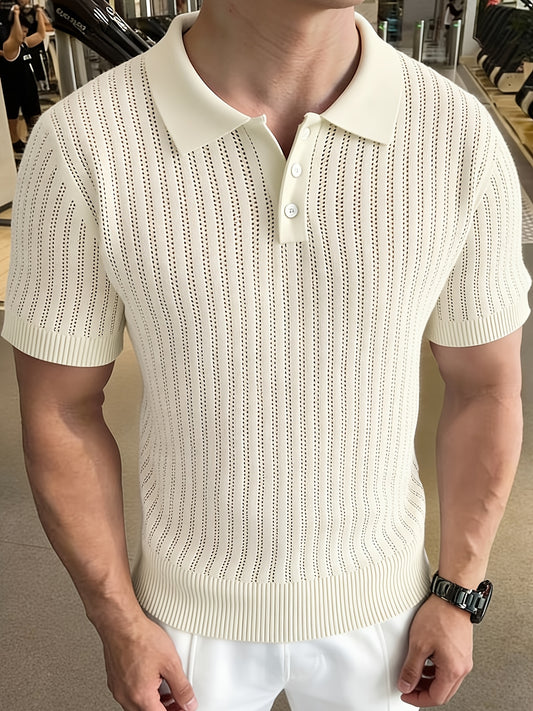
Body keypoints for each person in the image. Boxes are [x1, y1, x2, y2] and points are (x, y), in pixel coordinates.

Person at [2, 1, 531, 710]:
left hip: (389, 614)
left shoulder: (457, 135)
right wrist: (117, 618)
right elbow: (60, 409)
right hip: (183, 622)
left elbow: (486, 389)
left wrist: (460, 590)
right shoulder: (83, 143)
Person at [0, 1, 46, 154]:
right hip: (12, 89)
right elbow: (17, 37)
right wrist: (16, 15)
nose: (25, 32)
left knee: (35, 118)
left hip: (29, 88)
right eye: (23, 29)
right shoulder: (10, 49)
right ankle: (15, 143)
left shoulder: (25, 44)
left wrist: (39, 13)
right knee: (12, 117)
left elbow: (41, 35)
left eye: (26, 30)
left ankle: (37, 142)